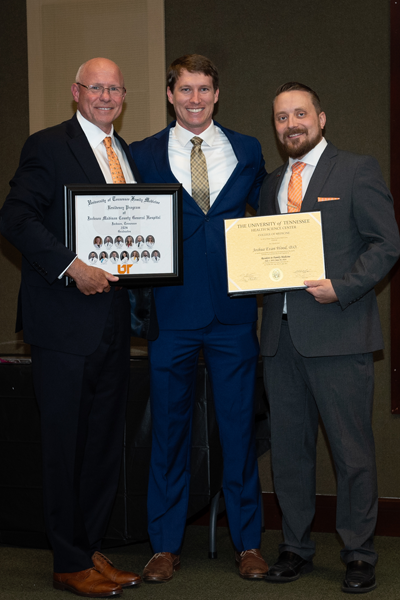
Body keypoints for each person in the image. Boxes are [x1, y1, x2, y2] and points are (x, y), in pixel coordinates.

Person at [0, 57, 157, 598]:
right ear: (76, 92)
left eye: (115, 87)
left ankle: (88, 548)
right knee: (65, 446)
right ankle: (66, 561)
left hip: (114, 321)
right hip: (63, 324)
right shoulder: (47, 145)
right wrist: (73, 267)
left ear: (124, 95)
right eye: (97, 87)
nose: (106, 96)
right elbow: (15, 217)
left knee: (100, 447)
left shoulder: (127, 153)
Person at [129, 54, 268, 582]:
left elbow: (269, 219)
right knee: (168, 431)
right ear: (170, 94)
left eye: (204, 89)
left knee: (239, 432)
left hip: (234, 313)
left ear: (216, 94)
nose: (195, 98)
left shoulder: (249, 149)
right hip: (172, 314)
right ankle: (163, 545)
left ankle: (248, 543)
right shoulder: (142, 152)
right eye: (185, 89)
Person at [259, 82, 400, 593]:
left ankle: (360, 554)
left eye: (300, 114)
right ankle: (294, 547)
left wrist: (341, 287)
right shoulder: (270, 182)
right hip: (279, 338)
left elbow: (387, 244)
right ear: (275, 127)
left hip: (340, 335)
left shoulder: (357, 170)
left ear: (321, 118)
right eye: (280, 117)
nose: (291, 124)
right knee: (289, 451)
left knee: (352, 452)